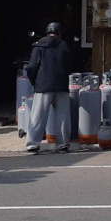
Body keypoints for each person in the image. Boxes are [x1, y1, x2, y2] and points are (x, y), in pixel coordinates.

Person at [25, 21, 73, 154]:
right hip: (61, 85)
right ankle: (63, 144)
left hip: (43, 85)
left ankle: (33, 145)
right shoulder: (63, 45)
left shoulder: (39, 45)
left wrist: (35, 81)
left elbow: (32, 67)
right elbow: (69, 65)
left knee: (38, 116)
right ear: (59, 32)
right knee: (63, 115)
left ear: (47, 32)